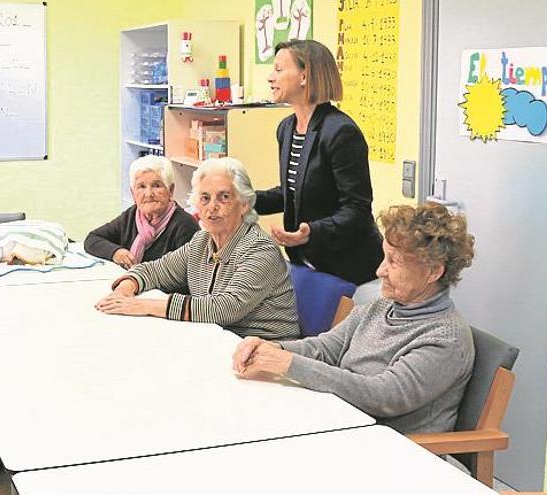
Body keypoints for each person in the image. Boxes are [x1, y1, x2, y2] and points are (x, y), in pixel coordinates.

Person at [232, 203, 476, 434]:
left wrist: (288, 363)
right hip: (342, 422)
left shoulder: (446, 339)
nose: (380, 271)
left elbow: (383, 397)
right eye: (385, 257)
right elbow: (324, 348)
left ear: (433, 271)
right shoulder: (381, 307)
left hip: (394, 451)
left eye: (394, 262)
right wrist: (274, 348)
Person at [96, 157, 299, 341]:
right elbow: (154, 270)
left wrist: (146, 306)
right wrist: (125, 290)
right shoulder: (201, 242)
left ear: (244, 204)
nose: (212, 207)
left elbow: (225, 308)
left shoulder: (259, 249)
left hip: (265, 353)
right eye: (205, 198)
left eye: (224, 197)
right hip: (216, 342)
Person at [256, 39, 383, 286]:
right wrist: (244, 200)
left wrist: (311, 232)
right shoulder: (287, 129)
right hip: (308, 260)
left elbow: (356, 209)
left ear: (304, 76)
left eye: (279, 70)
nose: (271, 77)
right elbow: (291, 192)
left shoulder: (341, 132)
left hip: (348, 264)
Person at [85, 154, 198, 268]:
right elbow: (92, 239)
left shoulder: (185, 225)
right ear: (133, 193)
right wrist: (116, 253)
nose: (149, 194)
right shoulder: (132, 215)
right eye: (141, 187)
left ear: (170, 190)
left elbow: (183, 274)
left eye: (156, 185)